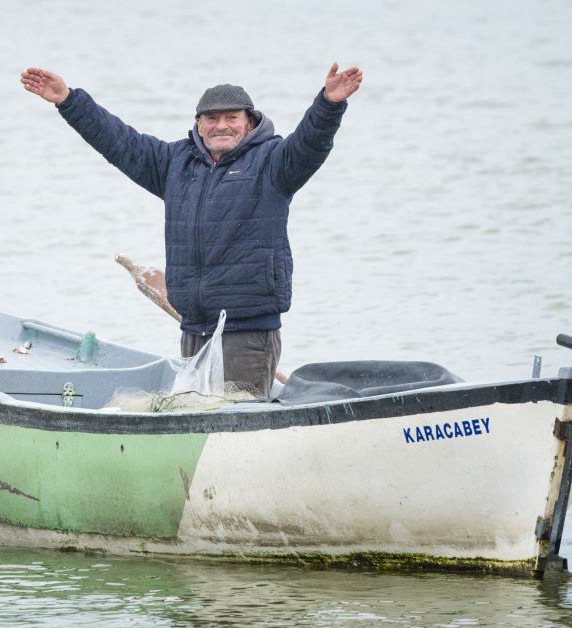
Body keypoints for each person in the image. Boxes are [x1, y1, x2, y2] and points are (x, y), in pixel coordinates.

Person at [20, 63, 363, 399]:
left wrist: (329, 104)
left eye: (232, 118)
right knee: (200, 426)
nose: (222, 126)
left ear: (249, 122)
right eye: (212, 118)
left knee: (240, 432)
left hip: (248, 333)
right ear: (199, 125)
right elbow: (119, 142)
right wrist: (68, 100)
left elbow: (310, 143)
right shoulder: (176, 164)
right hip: (194, 330)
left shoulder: (273, 163)